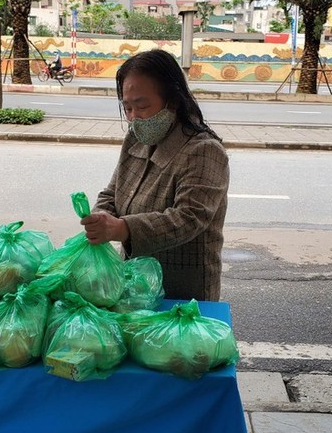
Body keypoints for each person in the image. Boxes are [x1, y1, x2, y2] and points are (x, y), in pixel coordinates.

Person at [80, 49, 229, 301]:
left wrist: (123, 229)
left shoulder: (204, 150)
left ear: (172, 100)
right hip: (133, 285)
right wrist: (101, 216)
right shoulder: (135, 139)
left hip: (182, 292)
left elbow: (188, 219)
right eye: (127, 108)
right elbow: (112, 191)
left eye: (142, 106)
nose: (134, 118)